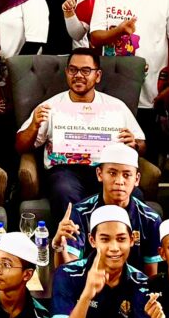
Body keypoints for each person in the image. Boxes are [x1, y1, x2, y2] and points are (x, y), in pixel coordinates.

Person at [18, 47, 145, 214]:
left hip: (107, 170)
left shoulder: (116, 107)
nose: (78, 75)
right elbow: (20, 146)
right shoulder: (51, 106)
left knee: (134, 195)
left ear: (97, 75)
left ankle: (114, 231)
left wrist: (134, 144)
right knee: (63, 190)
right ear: (66, 73)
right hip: (65, 171)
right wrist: (34, 125)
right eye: (73, 70)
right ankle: (72, 232)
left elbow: (142, 145)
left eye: (85, 70)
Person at [46, 142, 164, 268]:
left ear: (136, 179)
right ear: (99, 174)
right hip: (89, 280)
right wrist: (59, 246)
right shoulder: (80, 213)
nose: (119, 181)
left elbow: (150, 276)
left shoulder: (150, 219)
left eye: (126, 175)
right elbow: (68, 271)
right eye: (112, 173)